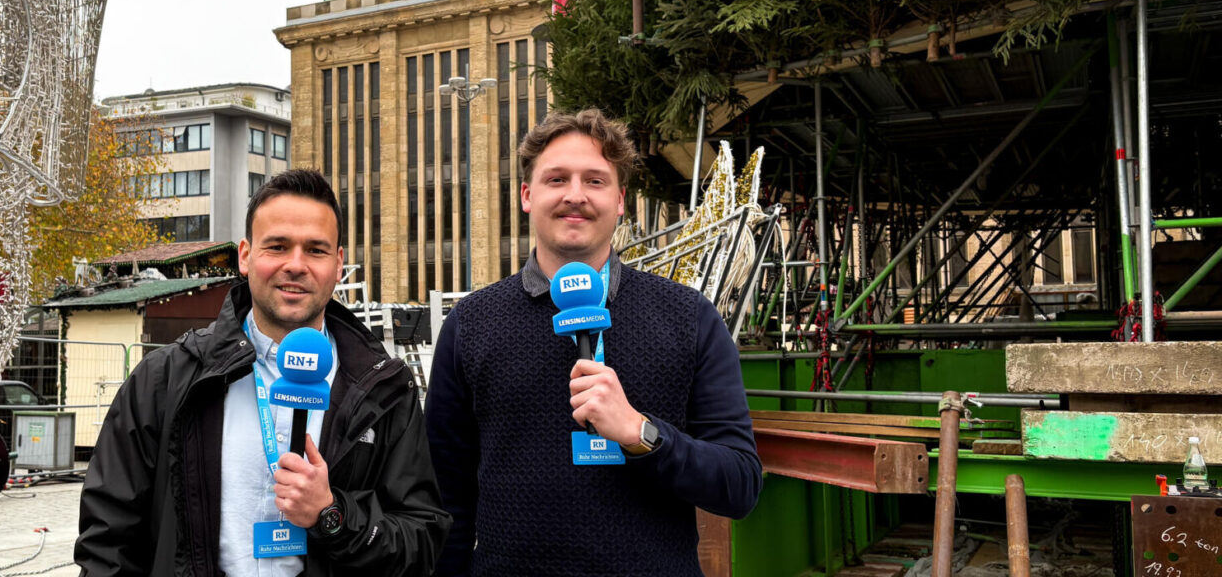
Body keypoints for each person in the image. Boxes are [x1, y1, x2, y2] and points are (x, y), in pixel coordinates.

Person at [425, 109, 762, 577]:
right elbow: (446, 498)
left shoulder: (689, 316)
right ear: (527, 195)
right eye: (557, 179)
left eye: (596, 181)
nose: (575, 195)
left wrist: (642, 434)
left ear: (621, 200)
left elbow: (740, 485)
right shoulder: (472, 323)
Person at [76, 169, 449, 577]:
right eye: (277, 246)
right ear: (245, 256)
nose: (296, 265)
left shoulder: (386, 388)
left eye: (316, 250)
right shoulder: (165, 380)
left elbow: (421, 540)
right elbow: (108, 541)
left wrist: (332, 514)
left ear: (338, 264)